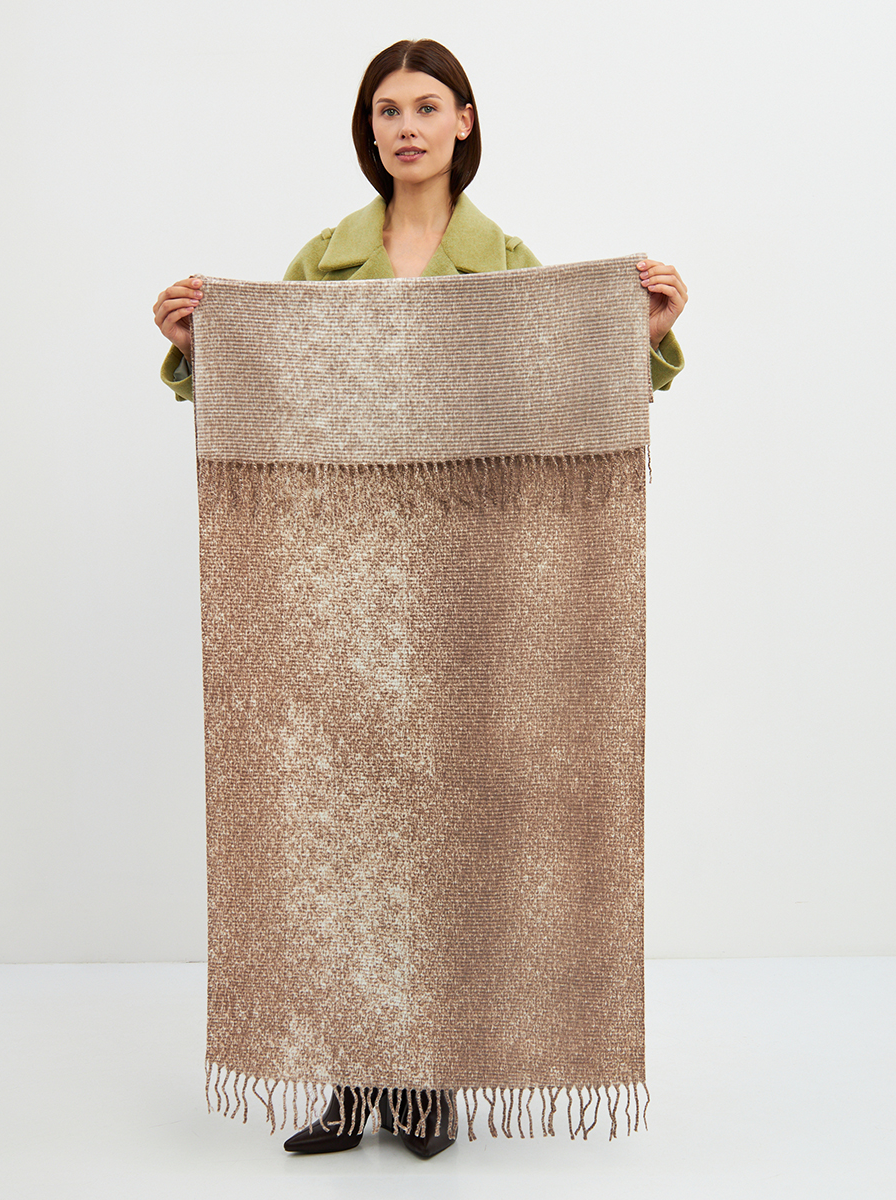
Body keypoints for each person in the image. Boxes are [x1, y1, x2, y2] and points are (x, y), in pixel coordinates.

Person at [152, 38, 688, 1159]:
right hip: (336, 591)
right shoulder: (322, 262)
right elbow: (276, 399)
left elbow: (557, 401)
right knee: (338, 832)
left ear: (464, 121)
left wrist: (641, 337)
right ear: (371, 130)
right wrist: (200, 347)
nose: (407, 126)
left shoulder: (510, 265)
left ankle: (432, 1074)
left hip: (470, 592)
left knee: (456, 831)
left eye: (427, 106)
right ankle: (350, 1077)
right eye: (388, 110)